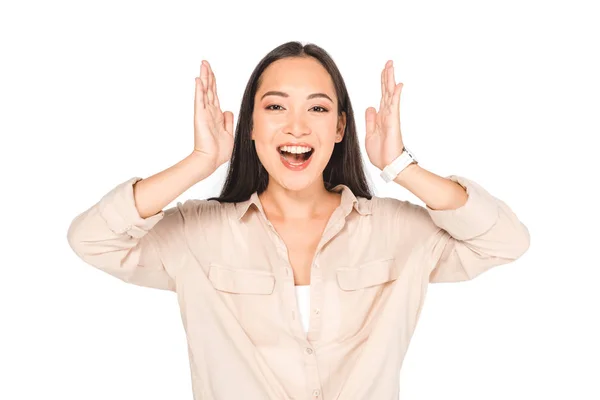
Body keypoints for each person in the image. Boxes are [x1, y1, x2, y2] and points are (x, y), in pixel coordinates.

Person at [67, 41, 530, 399]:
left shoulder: (396, 231)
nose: (296, 126)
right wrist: (200, 161)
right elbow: (93, 239)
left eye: (317, 108)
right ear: (249, 125)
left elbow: (505, 241)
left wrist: (401, 166)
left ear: (340, 128)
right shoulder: (197, 234)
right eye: (274, 107)